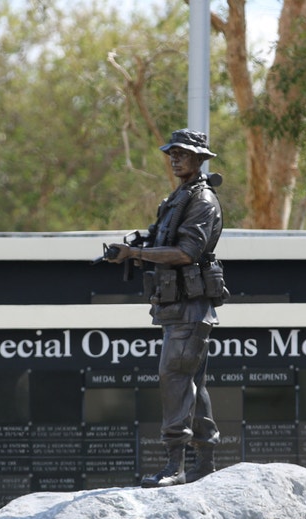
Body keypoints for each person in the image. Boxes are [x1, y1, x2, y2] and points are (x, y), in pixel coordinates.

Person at [105, 129, 228, 488]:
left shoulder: (202, 200)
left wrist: (137, 254)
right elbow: (166, 241)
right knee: (192, 382)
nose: (175, 159)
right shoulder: (178, 197)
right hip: (177, 306)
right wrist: (138, 245)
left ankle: (175, 466)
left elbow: (187, 253)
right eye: (171, 153)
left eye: (183, 153)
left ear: (200, 158)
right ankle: (205, 462)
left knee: (173, 378)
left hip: (191, 308)